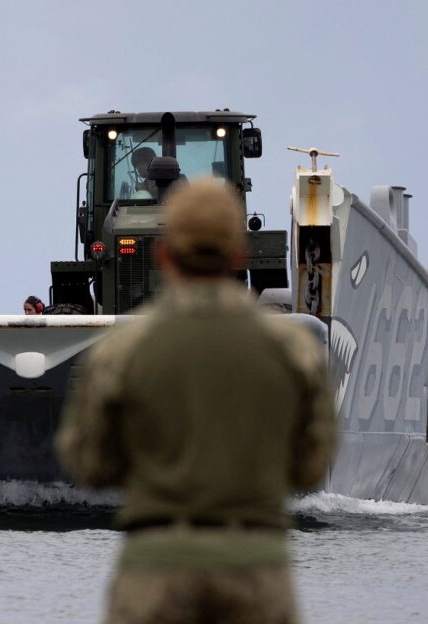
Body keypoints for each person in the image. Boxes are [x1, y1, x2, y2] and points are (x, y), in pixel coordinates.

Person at [56, 179, 336, 624]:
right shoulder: (293, 350)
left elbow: (88, 464)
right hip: (255, 563)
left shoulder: (121, 350)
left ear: (164, 253)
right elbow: (311, 466)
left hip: (156, 563)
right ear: (240, 254)